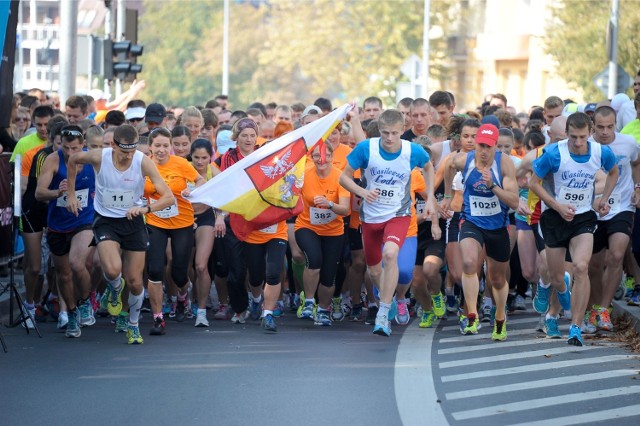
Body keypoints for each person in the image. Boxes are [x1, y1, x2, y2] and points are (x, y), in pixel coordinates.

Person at [65, 124, 175, 344]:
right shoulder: (99, 157)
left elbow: (168, 197)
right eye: (124, 150)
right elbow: (73, 160)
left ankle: (133, 325)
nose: (129, 155)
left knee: (135, 281)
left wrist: (146, 209)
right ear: (113, 145)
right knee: (113, 270)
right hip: (105, 220)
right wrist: (70, 194)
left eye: (132, 150)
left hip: (133, 221)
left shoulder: (143, 161)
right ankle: (114, 290)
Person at [340, 109, 436, 337]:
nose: (390, 138)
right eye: (385, 133)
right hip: (371, 217)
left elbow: (429, 167)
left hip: (398, 214)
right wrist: (363, 191)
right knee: (374, 271)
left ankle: (383, 314)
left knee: (391, 255)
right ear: (379, 130)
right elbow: (343, 177)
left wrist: (431, 197)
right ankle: (388, 297)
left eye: (394, 133)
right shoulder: (367, 148)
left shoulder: (412, 150)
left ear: (402, 130)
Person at [529, 112, 618, 347]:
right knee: (559, 278)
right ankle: (550, 287)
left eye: (582, 137)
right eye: (573, 137)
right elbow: (532, 183)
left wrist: (604, 199)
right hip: (555, 218)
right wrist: (557, 206)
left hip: (583, 218)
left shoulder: (600, 152)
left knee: (581, 266)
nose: (578, 143)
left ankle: (575, 327)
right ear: (566, 134)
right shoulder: (554, 154)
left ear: (590, 134)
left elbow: (614, 172)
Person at [443, 123, 519, 340]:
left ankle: (500, 317)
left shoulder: (504, 164)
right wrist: (448, 195)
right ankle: (472, 315)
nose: (483, 151)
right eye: (480, 146)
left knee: (497, 278)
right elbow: (449, 165)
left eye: (488, 146)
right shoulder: (464, 160)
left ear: (496, 146)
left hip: (497, 227)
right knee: (468, 263)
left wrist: (493, 185)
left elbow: (514, 202)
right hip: (471, 221)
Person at [35, 125, 96, 338]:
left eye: (76, 148)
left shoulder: (91, 160)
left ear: (84, 145)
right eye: (67, 148)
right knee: (64, 274)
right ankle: (71, 312)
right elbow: (39, 193)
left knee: (77, 263)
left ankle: (86, 300)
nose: (71, 153)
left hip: (84, 220)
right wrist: (57, 192)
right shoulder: (53, 160)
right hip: (58, 224)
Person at [144, 127, 205, 334]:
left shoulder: (180, 164)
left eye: (165, 146)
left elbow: (200, 180)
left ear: (170, 147)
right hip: (155, 221)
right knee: (154, 269)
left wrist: (194, 190)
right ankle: (158, 318)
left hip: (182, 222)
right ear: (150, 146)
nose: (161, 150)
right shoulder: (144, 164)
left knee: (179, 272)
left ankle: (181, 296)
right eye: (157, 146)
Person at [587, 106, 640, 331]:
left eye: (610, 126)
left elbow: (636, 162)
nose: (606, 132)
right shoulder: (586, 146)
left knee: (617, 255)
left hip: (622, 206)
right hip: (593, 208)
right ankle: (594, 308)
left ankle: (605, 310)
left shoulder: (628, 143)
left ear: (615, 124)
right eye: (601, 127)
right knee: (594, 264)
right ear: (593, 126)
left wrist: (637, 187)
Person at [295, 142, 350, 325]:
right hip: (307, 226)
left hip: (333, 231)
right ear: (312, 157)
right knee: (314, 260)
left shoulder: (340, 177)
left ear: (332, 158)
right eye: (317, 156)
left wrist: (330, 204)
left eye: (325, 155)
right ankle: (309, 301)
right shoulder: (304, 174)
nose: (321, 160)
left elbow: (345, 210)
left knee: (328, 275)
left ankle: (323, 309)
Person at [190, 139, 221, 327]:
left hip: (206, 218)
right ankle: (183, 297)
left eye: (204, 158)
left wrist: (219, 217)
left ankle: (201, 312)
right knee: (181, 266)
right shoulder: (183, 168)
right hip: (183, 219)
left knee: (201, 266)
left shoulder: (213, 172)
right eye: (196, 157)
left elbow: (226, 197)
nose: (200, 162)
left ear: (211, 157)